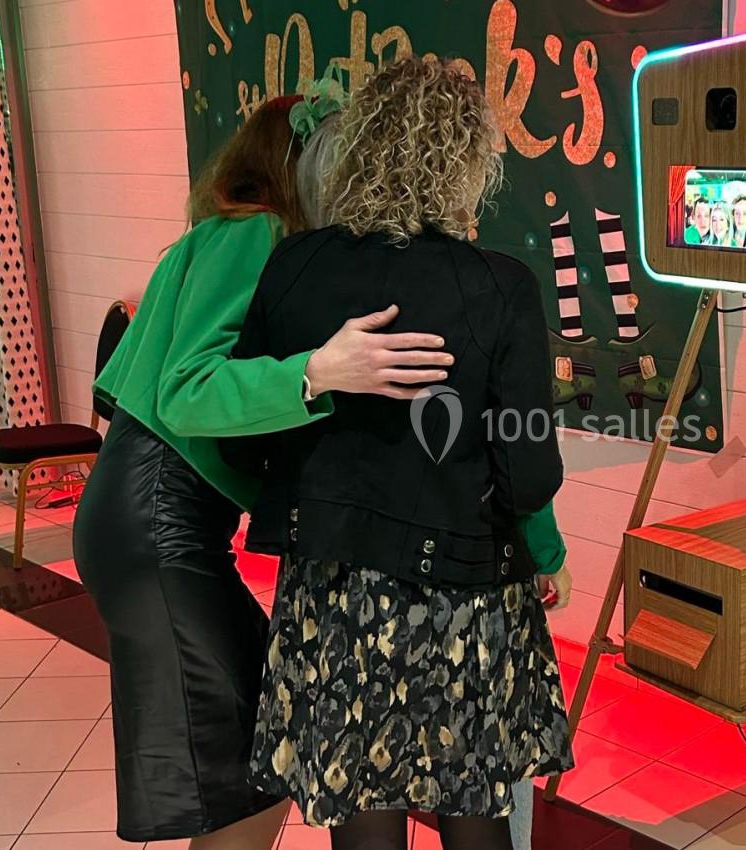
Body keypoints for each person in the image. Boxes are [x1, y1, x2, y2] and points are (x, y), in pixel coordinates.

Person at [71, 93, 454, 850]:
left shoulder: (225, 236)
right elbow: (187, 389)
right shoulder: (251, 232)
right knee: (244, 764)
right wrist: (318, 371)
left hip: (151, 516)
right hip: (159, 518)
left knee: (252, 751)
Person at [234, 57, 574, 850]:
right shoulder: (500, 285)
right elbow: (528, 469)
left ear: (361, 150)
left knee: (362, 811)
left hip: (332, 594)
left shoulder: (295, 264)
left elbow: (248, 436)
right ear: (467, 161)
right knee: (472, 812)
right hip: (462, 599)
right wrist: (542, 548)